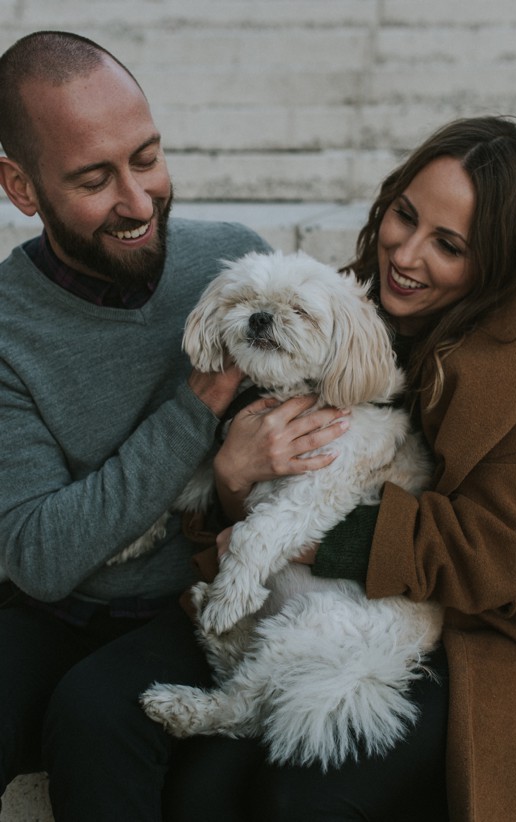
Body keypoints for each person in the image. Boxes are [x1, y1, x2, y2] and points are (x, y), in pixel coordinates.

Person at [0, 31, 347, 821]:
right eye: (94, 179)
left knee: (98, 717)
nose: (138, 200)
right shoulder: (8, 328)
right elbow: (39, 555)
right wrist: (197, 405)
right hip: (48, 608)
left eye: (147, 157)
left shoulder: (237, 268)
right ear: (20, 187)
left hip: (197, 602)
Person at [162, 116, 516, 822]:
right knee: (199, 789)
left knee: (299, 796)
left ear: (491, 268)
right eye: (405, 215)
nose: (405, 252)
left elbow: (508, 550)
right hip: (307, 609)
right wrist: (230, 482)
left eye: (449, 245)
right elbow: (255, 485)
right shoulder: (333, 306)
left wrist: (319, 539)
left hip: (467, 633)